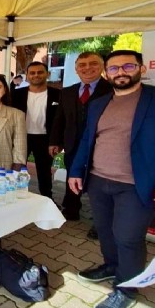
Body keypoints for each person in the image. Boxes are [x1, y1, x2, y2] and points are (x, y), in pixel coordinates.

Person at [68, 50, 155, 308]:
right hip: (98, 180)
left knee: (128, 237)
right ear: (107, 73)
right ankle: (113, 266)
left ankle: (127, 289)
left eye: (128, 66)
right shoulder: (98, 103)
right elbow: (86, 140)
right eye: (114, 68)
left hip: (137, 185)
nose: (121, 72)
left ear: (142, 68)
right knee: (105, 231)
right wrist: (75, 170)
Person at [49, 51, 113, 222]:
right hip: (72, 143)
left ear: (102, 67)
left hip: (102, 146)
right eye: (82, 65)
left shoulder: (112, 90)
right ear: (76, 69)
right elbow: (59, 118)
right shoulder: (68, 92)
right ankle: (71, 209)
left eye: (93, 63)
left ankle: (100, 220)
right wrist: (55, 141)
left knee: (99, 182)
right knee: (73, 175)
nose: (87, 68)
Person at [11, 61, 60, 199]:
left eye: (40, 72)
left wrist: (57, 141)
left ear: (47, 74)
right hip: (21, 137)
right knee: (17, 170)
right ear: (27, 75)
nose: (36, 75)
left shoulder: (58, 94)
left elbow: (61, 120)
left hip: (46, 139)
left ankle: (47, 200)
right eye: (32, 73)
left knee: (44, 172)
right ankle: (16, 198)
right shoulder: (15, 94)